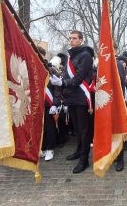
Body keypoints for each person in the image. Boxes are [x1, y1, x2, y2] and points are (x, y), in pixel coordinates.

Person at [50, 30, 94, 174]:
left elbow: (78, 78)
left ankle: (84, 159)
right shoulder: (71, 56)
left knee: (84, 130)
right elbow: (68, 75)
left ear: (81, 40)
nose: (71, 41)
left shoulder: (86, 55)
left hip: (81, 97)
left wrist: (62, 83)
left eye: (74, 38)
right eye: (70, 38)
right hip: (72, 97)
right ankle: (78, 151)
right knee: (77, 129)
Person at [40, 47, 62, 162]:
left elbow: (57, 89)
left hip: (49, 103)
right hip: (37, 104)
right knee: (40, 128)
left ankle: (50, 148)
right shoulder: (32, 70)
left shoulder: (51, 70)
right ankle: (42, 147)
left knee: (49, 127)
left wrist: (55, 104)